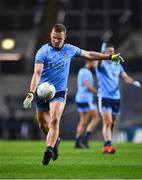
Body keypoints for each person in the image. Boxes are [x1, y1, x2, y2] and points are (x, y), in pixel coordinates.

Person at [23, 23, 124, 166]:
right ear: (50, 36)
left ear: (65, 37)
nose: (56, 41)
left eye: (59, 38)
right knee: (42, 125)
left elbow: (89, 54)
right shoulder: (43, 51)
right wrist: (31, 93)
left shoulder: (70, 49)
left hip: (58, 91)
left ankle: (49, 149)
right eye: (54, 38)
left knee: (55, 119)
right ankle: (55, 141)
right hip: (42, 91)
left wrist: (109, 57)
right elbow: (37, 73)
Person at [95, 43, 141, 154]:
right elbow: (98, 62)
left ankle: (108, 143)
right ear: (105, 53)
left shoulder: (117, 64)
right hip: (104, 97)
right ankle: (107, 145)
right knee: (107, 122)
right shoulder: (100, 64)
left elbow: (124, 76)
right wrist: (102, 54)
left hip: (116, 98)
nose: (112, 53)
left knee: (113, 123)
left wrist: (133, 81)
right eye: (109, 51)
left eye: (113, 51)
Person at [74, 60, 99, 148]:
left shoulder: (81, 71)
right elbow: (88, 87)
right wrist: (98, 93)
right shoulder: (86, 72)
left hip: (80, 98)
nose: (95, 64)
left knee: (83, 121)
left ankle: (77, 141)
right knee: (96, 118)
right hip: (87, 99)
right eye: (94, 62)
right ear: (90, 62)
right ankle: (85, 138)